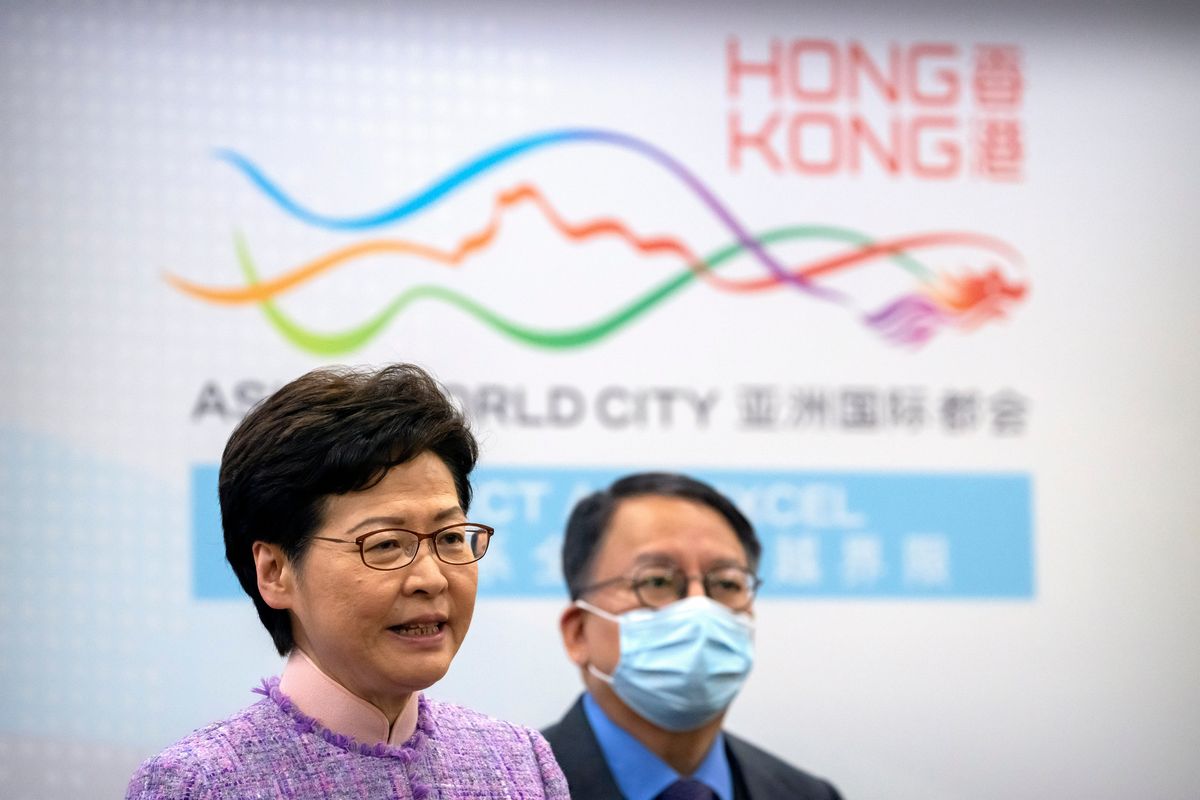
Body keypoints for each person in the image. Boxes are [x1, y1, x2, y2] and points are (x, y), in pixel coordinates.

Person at [127, 364, 568, 799]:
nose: (431, 579)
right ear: (275, 572)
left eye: (450, 537)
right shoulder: (200, 784)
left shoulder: (520, 762)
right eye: (386, 544)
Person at [543, 472, 842, 800]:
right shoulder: (512, 787)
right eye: (657, 582)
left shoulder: (808, 794)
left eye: (727, 584)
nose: (699, 607)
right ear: (578, 632)